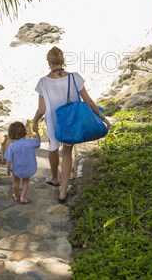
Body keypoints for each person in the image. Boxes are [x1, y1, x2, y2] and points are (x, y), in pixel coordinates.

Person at [33, 46, 111, 204]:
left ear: (48, 62)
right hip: (71, 120)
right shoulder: (75, 78)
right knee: (67, 151)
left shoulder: (43, 82)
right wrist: (103, 118)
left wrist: (34, 121)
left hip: (53, 120)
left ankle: (54, 177)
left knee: (53, 147)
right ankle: (63, 191)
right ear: (63, 60)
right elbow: (88, 101)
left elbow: (41, 109)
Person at [4, 121, 41, 204]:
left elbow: (9, 160)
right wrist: (37, 132)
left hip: (17, 169)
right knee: (25, 181)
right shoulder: (30, 142)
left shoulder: (11, 146)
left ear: (11, 134)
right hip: (28, 168)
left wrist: (7, 170)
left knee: (16, 182)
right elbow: (38, 143)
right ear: (24, 132)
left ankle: (16, 196)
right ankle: (23, 197)